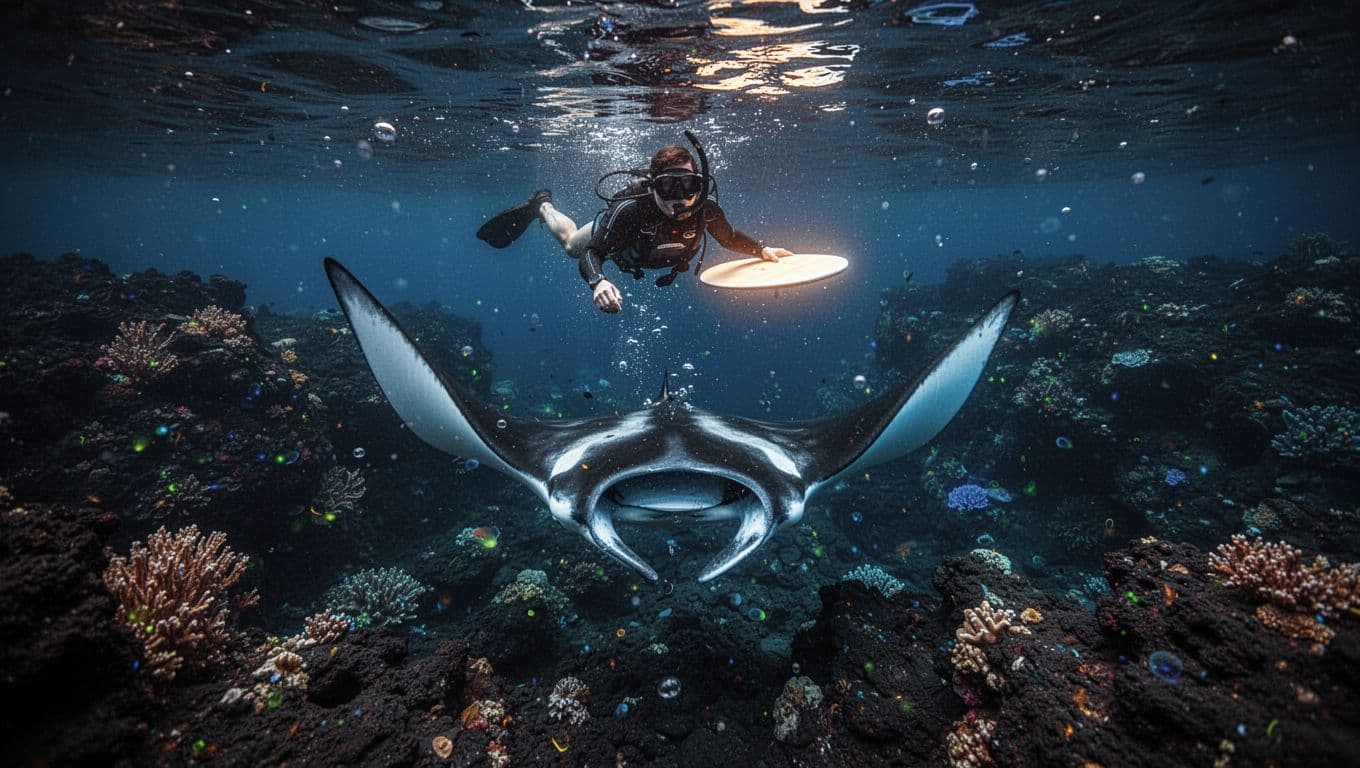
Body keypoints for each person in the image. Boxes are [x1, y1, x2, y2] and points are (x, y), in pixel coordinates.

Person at [476, 134, 793, 313]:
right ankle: (542, 205)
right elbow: (593, 253)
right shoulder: (631, 210)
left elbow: (729, 237)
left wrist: (762, 249)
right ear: (653, 186)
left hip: (647, 256)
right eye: (669, 187)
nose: (680, 199)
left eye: (689, 186)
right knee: (573, 245)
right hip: (621, 244)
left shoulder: (704, 209)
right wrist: (598, 282)